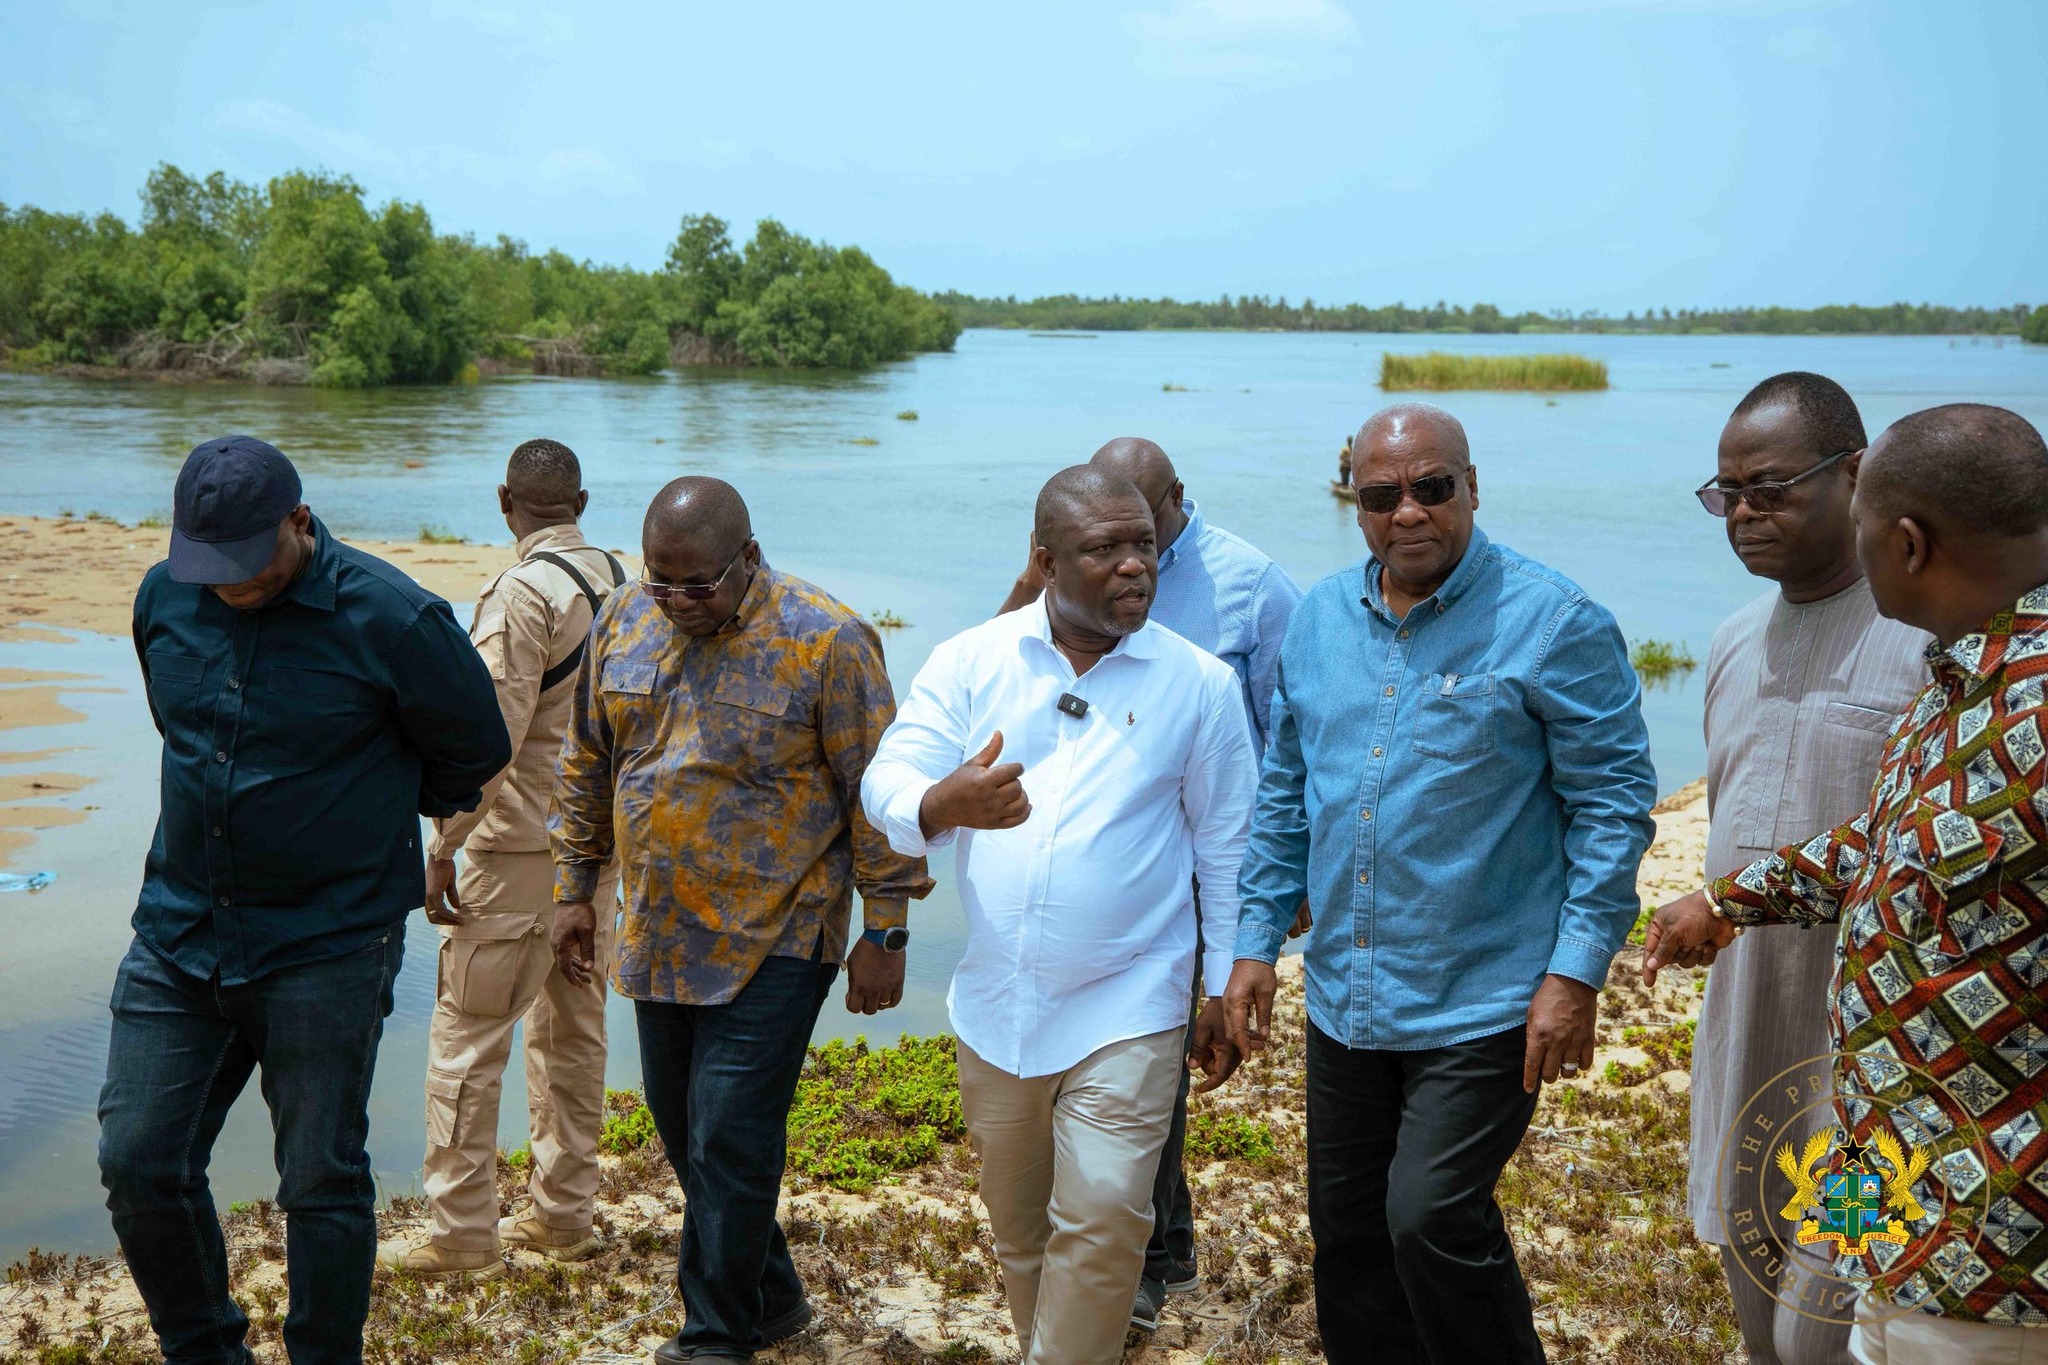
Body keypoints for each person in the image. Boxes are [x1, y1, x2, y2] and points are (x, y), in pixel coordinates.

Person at [1223, 403, 1657, 1365]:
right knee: (1348, 1234)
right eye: (1381, 496)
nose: (1408, 512)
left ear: (1472, 487)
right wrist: (1255, 940)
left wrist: (1576, 972)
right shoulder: (1319, 620)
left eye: (1431, 487)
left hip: (1487, 995)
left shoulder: (1556, 620)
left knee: (1431, 1216)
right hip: (1345, 995)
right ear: (1355, 503)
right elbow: (1286, 791)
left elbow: (1613, 807)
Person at [1646, 405, 2048, 1364]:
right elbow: (1883, 839)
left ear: (1904, 543)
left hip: (1989, 1242)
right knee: (1799, 1339)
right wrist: (1730, 898)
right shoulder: (1960, 680)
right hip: (1882, 1171)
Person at [101, 436, 510, 1364]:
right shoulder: (165, 596)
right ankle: (206, 1350)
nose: (228, 585)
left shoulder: (395, 619)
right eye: (209, 566)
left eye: (246, 564)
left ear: (299, 518)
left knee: (320, 1179)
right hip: (179, 931)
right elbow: (180, 728)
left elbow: (473, 751)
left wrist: (355, 808)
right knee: (139, 1161)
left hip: (328, 944)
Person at [864, 465, 1258, 1365]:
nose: (1134, 566)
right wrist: (940, 802)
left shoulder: (1198, 684)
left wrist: (1224, 983)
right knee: (1021, 1231)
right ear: (1045, 561)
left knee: (1108, 1215)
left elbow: (1227, 847)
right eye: (1104, 549)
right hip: (997, 1003)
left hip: (1131, 1001)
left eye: (1144, 546)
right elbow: (888, 774)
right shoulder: (973, 658)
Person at [549, 477, 932, 1363]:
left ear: (749, 556)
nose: (678, 600)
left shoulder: (828, 639)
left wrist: (885, 930)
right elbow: (588, 760)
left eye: (699, 584)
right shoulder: (621, 618)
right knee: (683, 1126)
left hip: (780, 933)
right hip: (658, 930)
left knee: (729, 1131)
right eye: (661, 580)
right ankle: (774, 1296)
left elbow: (878, 796)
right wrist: (573, 888)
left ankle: (715, 1337)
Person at [996, 436, 1304, 1328]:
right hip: (1102, 861)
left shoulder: (1252, 586)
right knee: (1129, 1067)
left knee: (1152, 1058)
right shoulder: (1072, 570)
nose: (1128, 555)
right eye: (1104, 535)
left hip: (1201, 857)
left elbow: (1294, 736)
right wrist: (1031, 578)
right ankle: (1164, 1242)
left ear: (1176, 499)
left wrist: (1284, 878)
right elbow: (999, 666)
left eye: (1142, 528)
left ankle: (1143, 1261)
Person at [1684, 375, 1928, 1365]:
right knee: (1758, 1309)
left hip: (1870, 1058)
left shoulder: (1928, 639)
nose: (1744, 513)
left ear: (1855, 474)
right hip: (1747, 1028)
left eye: (1771, 489)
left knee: (1820, 1328)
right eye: (1726, 493)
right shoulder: (1730, 641)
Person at [386, 439, 629, 1279]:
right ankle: (564, 1217)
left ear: (504, 502)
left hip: (518, 851)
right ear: (581, 503)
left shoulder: (522, 593)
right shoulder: (624, 579)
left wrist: (442, 845)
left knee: (468, 1038)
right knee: (573, 1033)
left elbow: (488, 738)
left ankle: (462, 1236)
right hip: (598, 852)